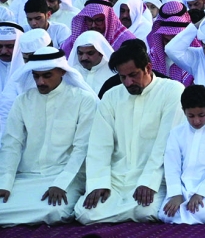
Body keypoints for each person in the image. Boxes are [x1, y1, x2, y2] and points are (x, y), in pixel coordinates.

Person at [76, 42, 186, 224]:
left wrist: (149, 181)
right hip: (117, 179)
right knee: (85, 214)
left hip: (156, 178)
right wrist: (99, 183)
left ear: (148, 68)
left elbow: (165, 144)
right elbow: (99, 145)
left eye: (133, 75)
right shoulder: (111, 96)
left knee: (147, 212)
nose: (128, 82)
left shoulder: (172, 91)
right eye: (122, 77)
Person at [0, 46, 98, 226]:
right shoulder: (22, 101)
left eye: (47, 76)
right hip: (25, 176)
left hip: (64, 174)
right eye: (36, 76)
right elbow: (11, 144)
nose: (40, 82)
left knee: (55, 211)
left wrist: (61, 183)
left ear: (61, 71)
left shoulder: (83, 100)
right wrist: (5, 183)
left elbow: (82, 147)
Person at [159, 84, 205, 224]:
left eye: (201, 115)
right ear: (183, 111)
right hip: (183, 183)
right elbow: (171, 165)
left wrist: (200, 193)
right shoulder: (176, 133)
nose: (196, 121)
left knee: (203, 214)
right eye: (191, 116)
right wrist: (175, 193)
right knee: (166, 215)